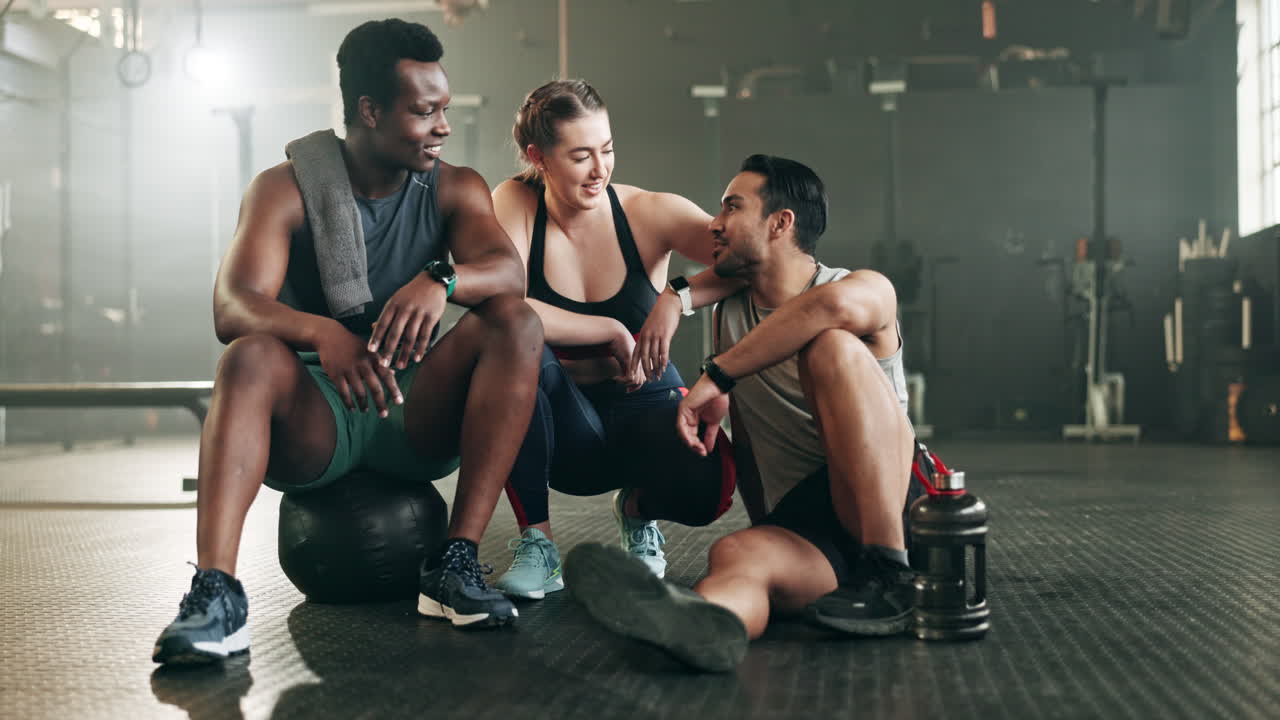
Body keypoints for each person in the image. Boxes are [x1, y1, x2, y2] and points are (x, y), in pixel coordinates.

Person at [153, 19, 543, 665]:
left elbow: (509, 274)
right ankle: (216, 595)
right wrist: (322, 332)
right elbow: (231, 305)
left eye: (444, 108)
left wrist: (442, 278)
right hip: (319, 417)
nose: (442, 125)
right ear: (369, 110)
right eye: (424, 112)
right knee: (247, 354)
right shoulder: (284, 188)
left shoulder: (454, 186)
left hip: (413, 409)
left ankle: (454, 561)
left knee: (516, 321)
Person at [564, 154, 923, 672]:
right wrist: (675, 295)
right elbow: (754, 442)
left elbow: (827, 309)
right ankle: (704, 623)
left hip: (897, 505)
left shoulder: (864, 288)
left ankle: (893, 576)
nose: (714, 223)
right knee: (737, 557)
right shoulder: (732, 313)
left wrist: (718, 374)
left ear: (781, 223)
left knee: (830, 349)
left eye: (732, 207)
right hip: (816, 525)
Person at [487, 80, 742, 600]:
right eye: (580, 156)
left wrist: (677, 298)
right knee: (512, 355)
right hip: (559, 425)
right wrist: (609, 330)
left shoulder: (649, 212)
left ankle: (637, 510)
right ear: (539, 157)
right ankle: (539, 547)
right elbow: (504, 303)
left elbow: (748, 262)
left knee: (706, 489)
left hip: (642, 403)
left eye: (607, 150)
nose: (600, 169)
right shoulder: (514, 201)